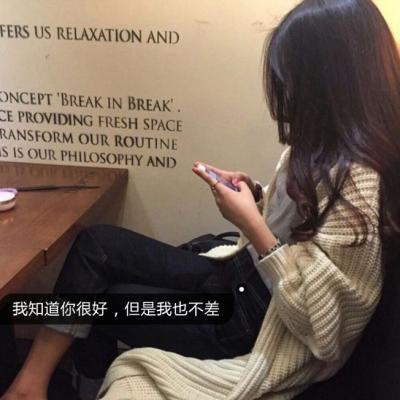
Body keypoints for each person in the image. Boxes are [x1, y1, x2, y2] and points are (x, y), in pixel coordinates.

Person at [2, 0, 400, 399]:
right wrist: (256, 195)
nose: (288, 92)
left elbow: (323, 331)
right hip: (241, 277)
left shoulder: (359, 180)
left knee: (104, 304)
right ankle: (30, 384)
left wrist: (251, 224)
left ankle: (65, 389)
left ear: (329, 82)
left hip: (250, 321)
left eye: (293, 78)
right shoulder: (327, 146)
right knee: (97, 244)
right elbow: (303, 226)